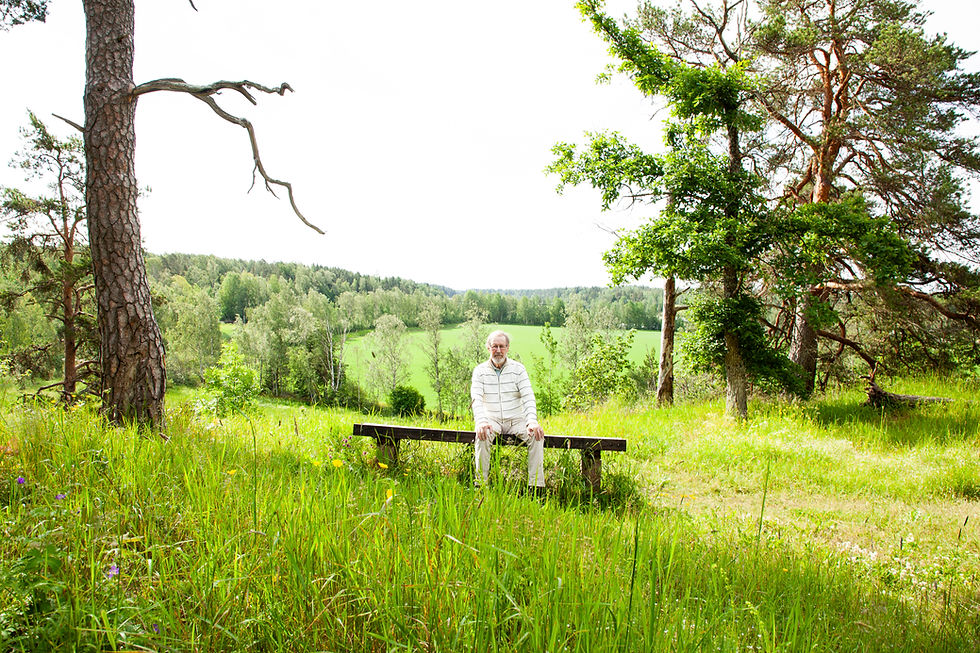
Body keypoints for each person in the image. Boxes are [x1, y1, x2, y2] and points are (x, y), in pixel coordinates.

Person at [470, 330, 545, 488]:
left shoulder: (518, 370)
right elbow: (476, 399)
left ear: (508, 348)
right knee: (482, 435)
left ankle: (536, 487)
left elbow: (528, 396)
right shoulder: (480, 371)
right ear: (488, 348)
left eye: (502, 346)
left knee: (536, 436)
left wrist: (532, 421)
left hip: (516, 419)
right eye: (494, 346)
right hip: (492, 419)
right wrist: (481, 421)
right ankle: (480, 485)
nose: (498, 350)